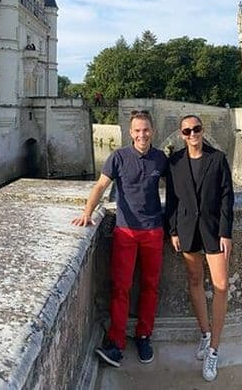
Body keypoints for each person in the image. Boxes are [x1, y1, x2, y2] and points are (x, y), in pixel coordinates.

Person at [72, 110, 168, 367]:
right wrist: (87, 213)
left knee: (150, 286)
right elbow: (101, 186)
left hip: (153, 230)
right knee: (121, 287)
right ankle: (116, 342)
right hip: (125, 231)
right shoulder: (118, 157)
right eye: (137, 130)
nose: (142, 135)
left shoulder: (160, 159)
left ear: (152, 131)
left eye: (145, 130)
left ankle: (144, 335)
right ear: (130, 132)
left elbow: (180, 188)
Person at [166, 115, 234, 382]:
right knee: (195, 280)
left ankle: (214, 349)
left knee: (221, 286)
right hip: (186, 229)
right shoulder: (174, 162)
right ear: (181, 134)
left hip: (213, 230)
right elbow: (172, 199)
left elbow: (227, 197)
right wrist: (172, 229)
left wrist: (226, 233)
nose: (192, 134)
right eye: (187, 131)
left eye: (196, 129)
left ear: (202, 130)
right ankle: (205, 334)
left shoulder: (217, 159)